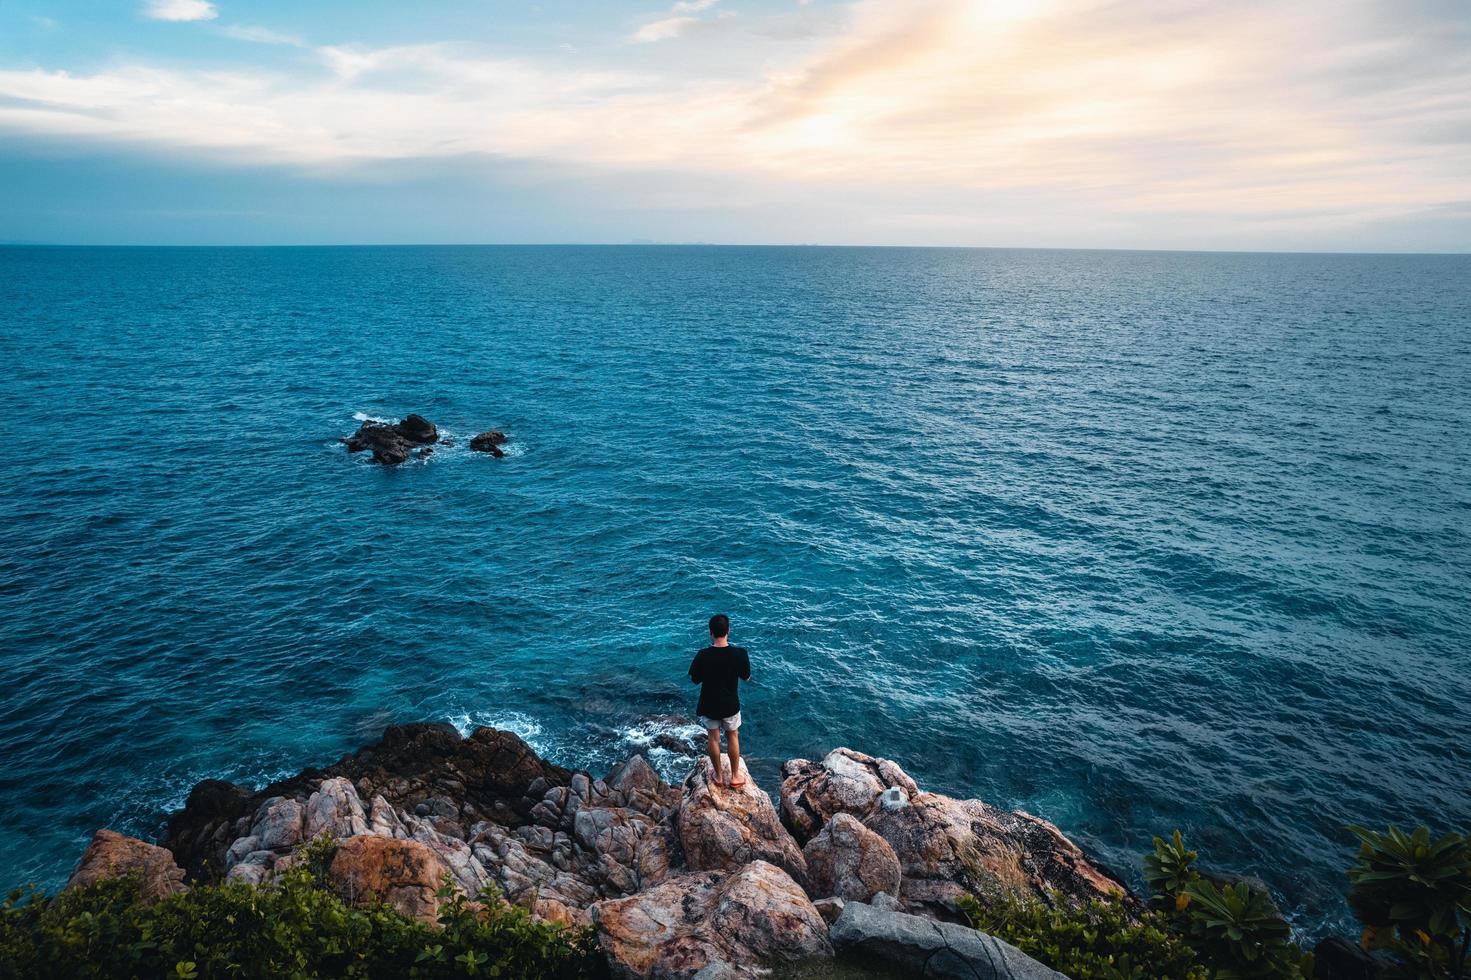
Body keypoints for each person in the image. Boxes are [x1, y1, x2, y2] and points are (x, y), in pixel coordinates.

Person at [688, 613, 751, 788]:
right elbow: (746, 677)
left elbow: (695, 679)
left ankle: (718, 776)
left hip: (709, 705)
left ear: (711, 633)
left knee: (713, 738)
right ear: (728, 631)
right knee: (733, 736)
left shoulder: (703, 655)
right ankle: (735, 776)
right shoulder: (740, 654)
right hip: (730, 705)